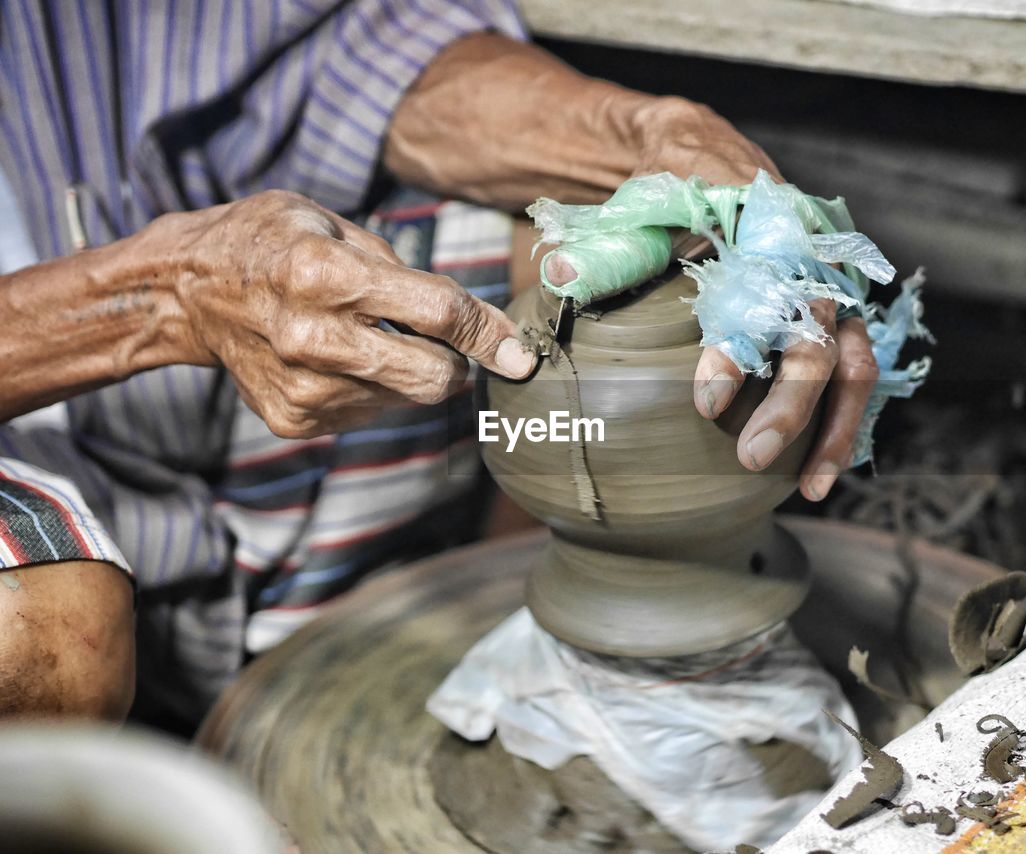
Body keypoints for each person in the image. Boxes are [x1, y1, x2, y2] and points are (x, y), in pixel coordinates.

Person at [0, 2, 878, 728]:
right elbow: (174, 286)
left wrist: (650, 137)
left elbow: (348, 58)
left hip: (184, 285)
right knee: (42, 642)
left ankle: (587, 634)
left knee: (600, 266)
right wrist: (164, 293)